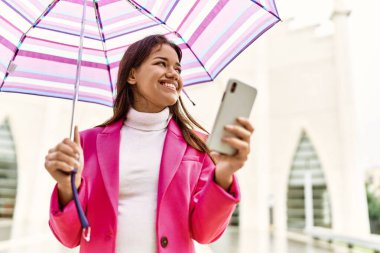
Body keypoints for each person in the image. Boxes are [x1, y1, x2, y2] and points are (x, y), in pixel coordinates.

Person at [44, 34, 254, 253]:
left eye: (178, 69)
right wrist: (67, 187)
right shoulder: (87, 143)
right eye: (161, 63)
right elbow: (68, 238)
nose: (173, 74)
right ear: (132, 75)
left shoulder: (198, 146)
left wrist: (223, 176)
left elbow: (205, 233)